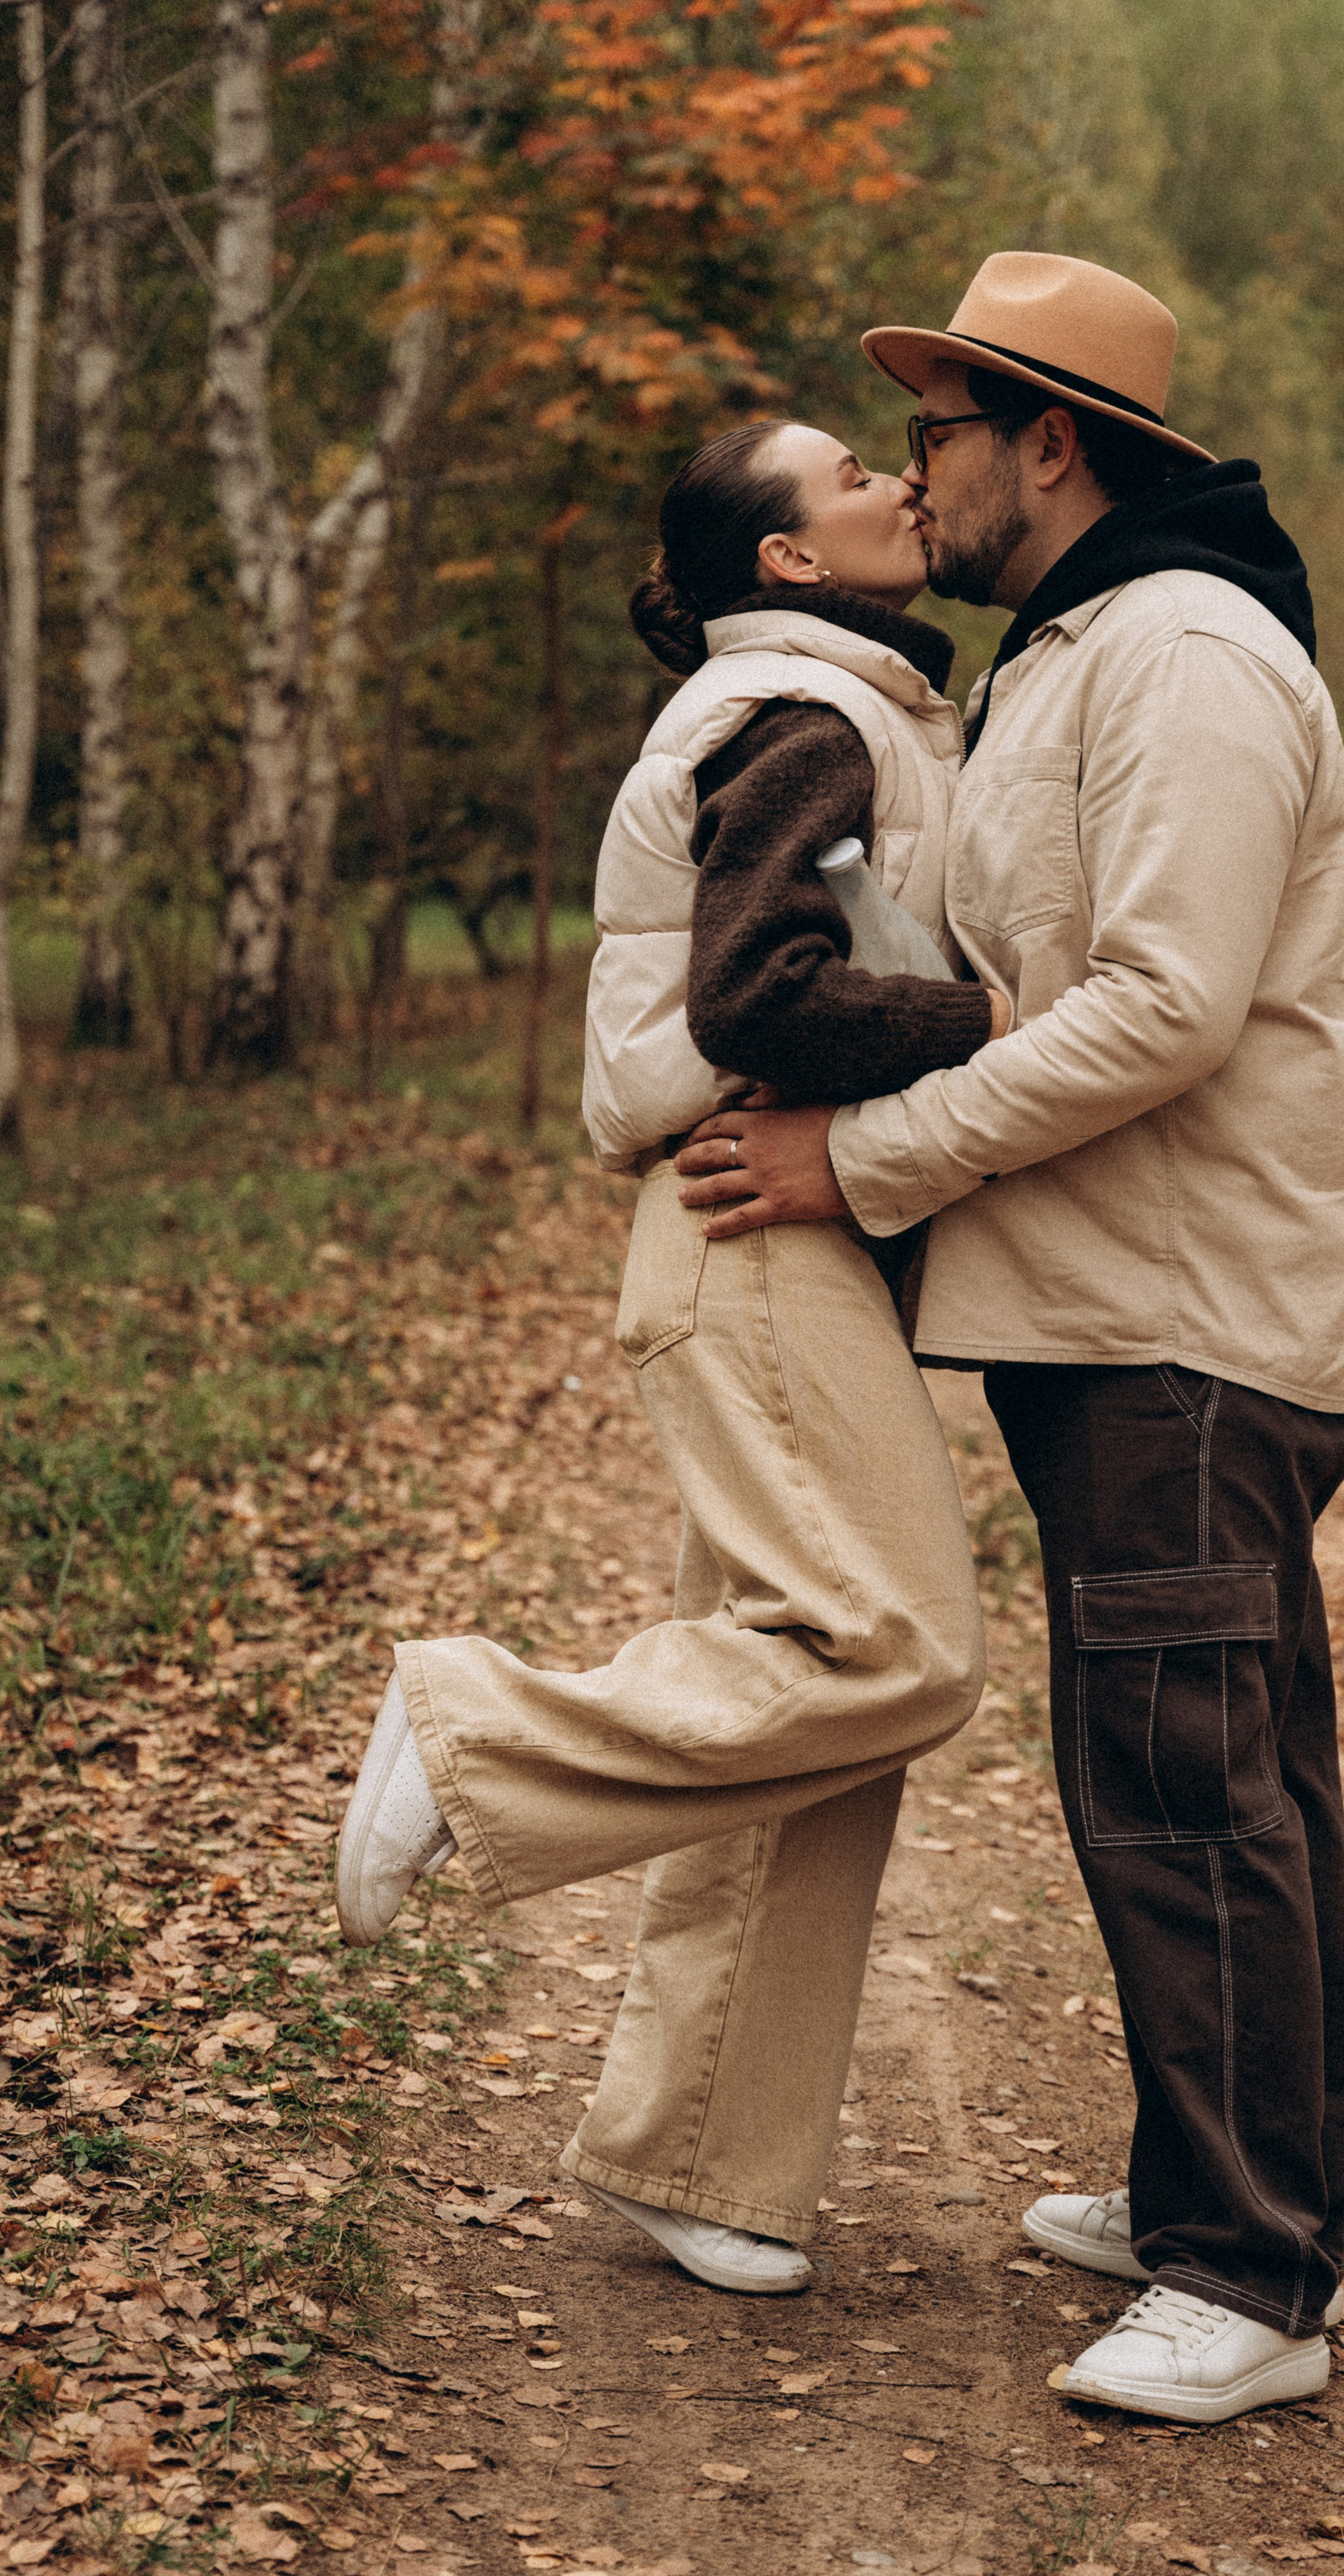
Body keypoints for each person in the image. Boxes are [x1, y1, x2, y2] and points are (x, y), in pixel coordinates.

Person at [674, 252, 1344, 2422]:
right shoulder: (1090, 647)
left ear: (1049, 442)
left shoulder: (1181, 654)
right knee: (1224, 1770)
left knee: (1189, 1791)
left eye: (941, 437)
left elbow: (1162, 1010)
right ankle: (1218, 2186)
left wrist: (862, 1162)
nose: (921, 477)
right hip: (1130, 1309)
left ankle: (1249, 2280)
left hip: (1192, 1315)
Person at [335, 418, 1005, 2294]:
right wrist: (995, 1017)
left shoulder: (838, 696)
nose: (895, 483)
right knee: (891, 1649)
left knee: (812, 1718)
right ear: (786, 561)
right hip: (744, 1225)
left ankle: (699, 2154)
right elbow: (757, 994)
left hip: (774, 1230)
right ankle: (467, 1726)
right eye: (855, 472)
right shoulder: (799, 710)